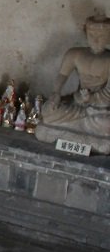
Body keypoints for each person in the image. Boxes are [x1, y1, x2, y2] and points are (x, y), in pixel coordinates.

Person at [36, 15, 110, 153]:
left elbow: (108, 93)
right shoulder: (75, 54)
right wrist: (55, 94)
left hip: (99, 109)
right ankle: (82, 128)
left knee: (106, 124)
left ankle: (83, 131)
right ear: (86, 33)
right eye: (92, 34)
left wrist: (91, 98)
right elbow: (62, 75)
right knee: (48, 112)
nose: (96, 39)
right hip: (77, 103)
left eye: (101, 35)